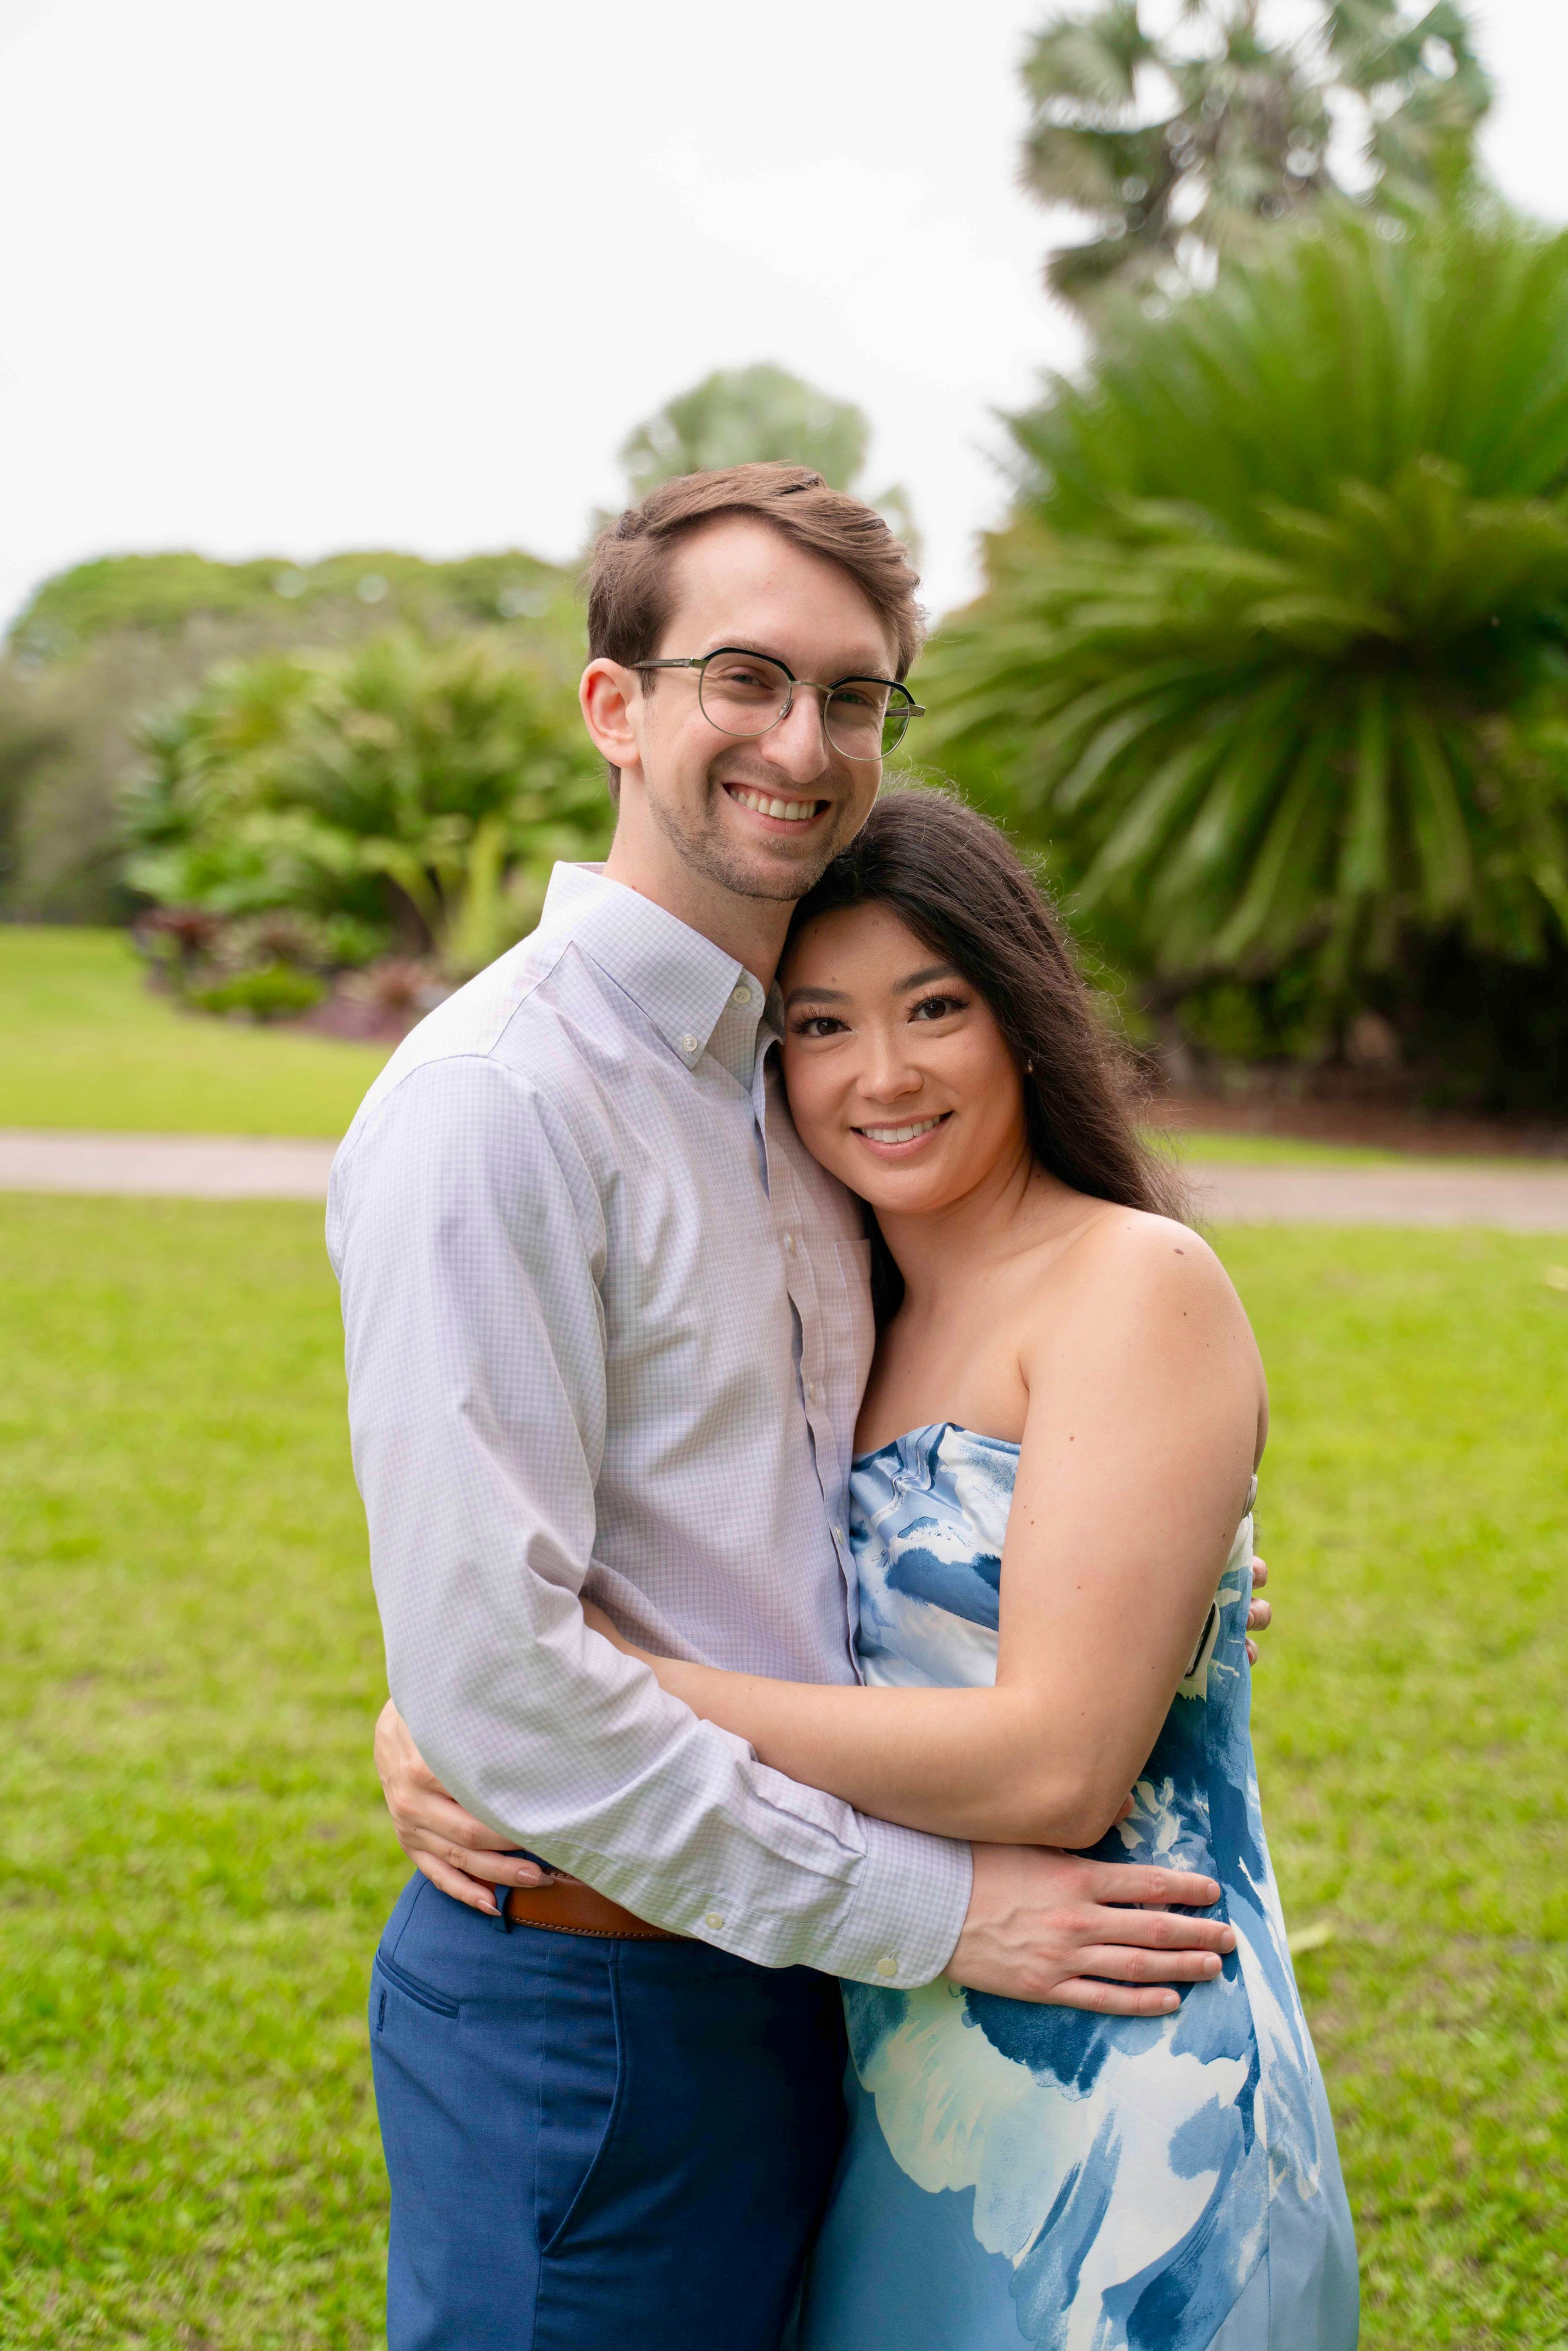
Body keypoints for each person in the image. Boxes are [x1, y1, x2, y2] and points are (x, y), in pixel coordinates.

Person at [334, 464, 1270, 2351]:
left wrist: (1162, 1596)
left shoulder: (792, 1099)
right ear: (618, 705)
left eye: (855, 695)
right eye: (744, 677)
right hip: (598, 2016)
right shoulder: (498, 1102)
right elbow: (500, 1662)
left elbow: (875, 1509)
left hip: (826, 2009)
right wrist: (465, 1698)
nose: (802, 738)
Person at [567, 790, 1360, 2350]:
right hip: (900, 2075)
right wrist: (456, 1714)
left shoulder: (1128, 1279)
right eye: (820, 1023)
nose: (882, 1074)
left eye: (935, 1007)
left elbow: (1057, 1765)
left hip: (1129, 2097)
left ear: (1021, 1016)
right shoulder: (836, 1313)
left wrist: (603, 1692)